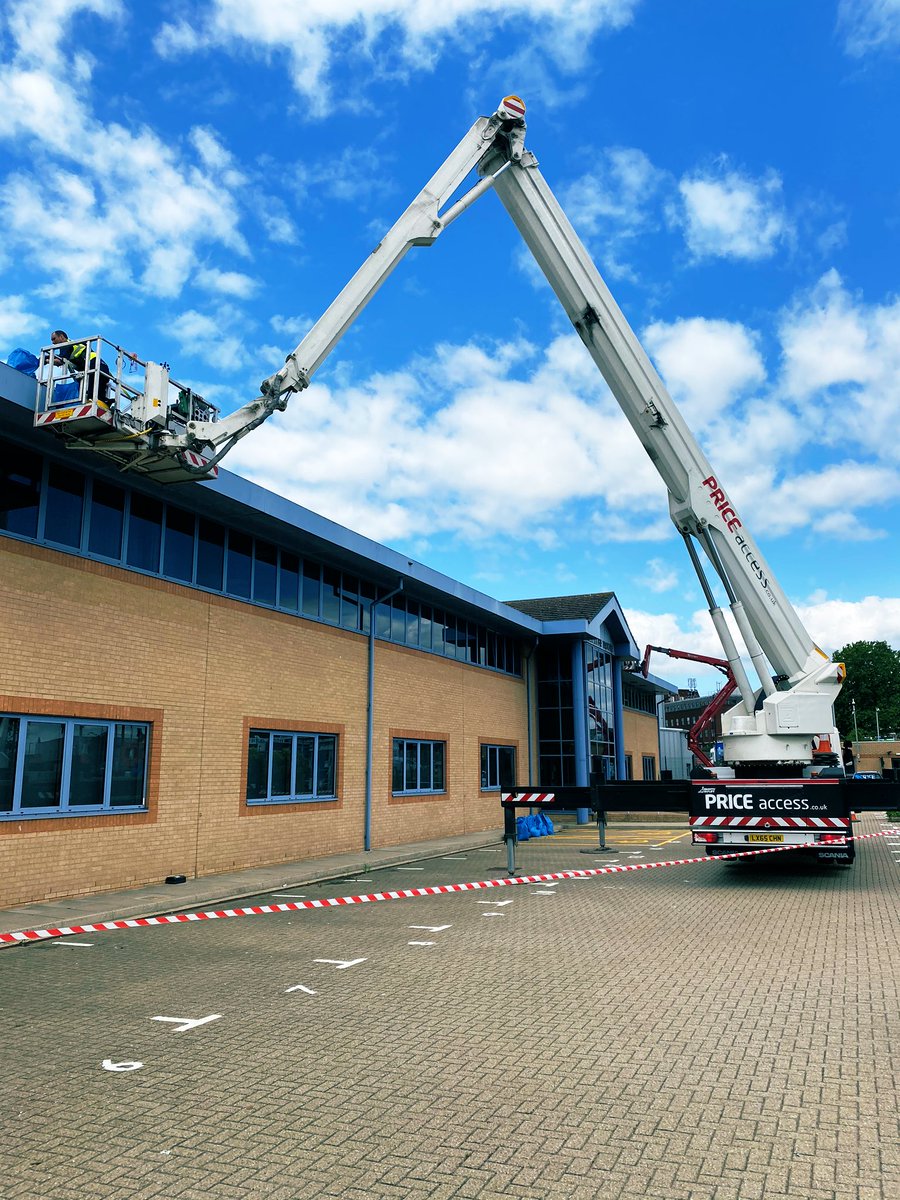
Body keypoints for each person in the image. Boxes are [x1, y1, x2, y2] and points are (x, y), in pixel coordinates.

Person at [51, 330, 113, 404]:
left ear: (61, 337)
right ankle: (105, 401)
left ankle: (96, 400)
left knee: (90, 394)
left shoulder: (66, 345)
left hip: (94, 365)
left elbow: (60, 360)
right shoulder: (74, 343)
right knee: (98, 392)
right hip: (102, 366)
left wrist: (48, 360)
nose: (53, 342)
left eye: (54, 339)